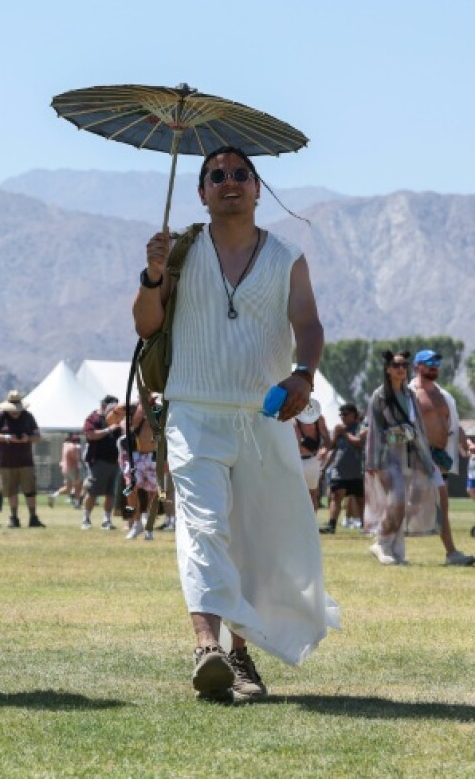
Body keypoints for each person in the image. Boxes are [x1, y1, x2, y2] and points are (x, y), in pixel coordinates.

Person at [133, 146, 339, 702]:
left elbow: (309, 322)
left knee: (254, 543)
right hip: (193, 412)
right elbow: (146, 324)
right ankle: (207, 647)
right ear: (201, 192)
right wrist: (153, 275)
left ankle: (242, 658)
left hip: (263, 416)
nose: (229, 181)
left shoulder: (287, 256)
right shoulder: (178, 252)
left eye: (240, 174)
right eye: (217, 175)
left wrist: (304, 373)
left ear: (257, 186)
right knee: (203, 529)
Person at [364, 351, 440, 564]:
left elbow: (420, 428)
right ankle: (382, 542)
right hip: (386, 455)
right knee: (396, 498)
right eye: (396, 365)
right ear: (387, 369)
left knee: (402, 504)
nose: (401, 369)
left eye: (404, 365)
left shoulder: (410, 395)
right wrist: (372, 461)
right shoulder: (379, 395)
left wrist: (426, 459)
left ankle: (397, 551)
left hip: (408, 454)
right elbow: (374, 430)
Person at [407, 349, 473, 566]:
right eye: (429, 362)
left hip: (439, 459)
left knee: (440, 505)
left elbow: (452, 423)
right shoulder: (409, 394)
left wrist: (464, 440)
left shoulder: (444, 396)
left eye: (436, 362)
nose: (434, 366)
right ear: (417, 366)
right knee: (406, 504)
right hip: (415, 458)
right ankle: (387, 543)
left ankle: (451, 553)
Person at [0, 391, 44, 528]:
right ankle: (14, 518)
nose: (15, 412)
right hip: (6, 463)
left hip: (26, 462)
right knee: (11, 491)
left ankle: (33, 517)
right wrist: (7, 437)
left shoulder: (28, 417)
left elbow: (38, 436)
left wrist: (28, 438)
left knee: (30, 490)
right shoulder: (0, 417)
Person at [319, 404, 365, 534]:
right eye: (341, 415)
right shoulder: (340, 430)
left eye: (345, 414)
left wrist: (344, 433)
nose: (342, 417)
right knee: (336, 496)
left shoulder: (360, 427)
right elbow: (333, 449)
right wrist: (324, 468)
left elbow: (359, 443)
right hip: (340, 471)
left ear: (353, 415)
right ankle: (332, 525)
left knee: (360, 499)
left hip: (357, 471)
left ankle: (364, 525)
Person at [81, 395, 122, 530]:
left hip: (114, 461)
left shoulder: (116, 419)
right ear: (103, 406)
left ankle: (107, 520)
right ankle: (86, 519)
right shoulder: (93, 418)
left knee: (111, 493)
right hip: (98, 461)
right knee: (93, 492)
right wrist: (108, 430)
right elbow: (90, 434)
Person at [121, 400, 158, 541]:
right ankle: (137, 523)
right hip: (135, 455)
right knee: (130, 488)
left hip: (153, 455)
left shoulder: (160, 405)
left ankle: (148, 525)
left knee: (154, 493)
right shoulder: (134, 407)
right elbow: (115, 420)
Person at [294, 412, 330, 515]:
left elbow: (327, 439)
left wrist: (324, 449)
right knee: (293, 494)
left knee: (312, 494)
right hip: (294, 460)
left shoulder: (317, 417)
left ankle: (312, 525)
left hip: (311, 460)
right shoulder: (290, 416)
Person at [49, 432, 83, 509]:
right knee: (78, 486)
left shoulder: (65, 445)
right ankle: (77, 504)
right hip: (72, 468)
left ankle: (54, 496)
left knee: (68, 488)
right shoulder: (74, 447)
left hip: (64, 469)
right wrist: (78, 471)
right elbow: (76, 460)